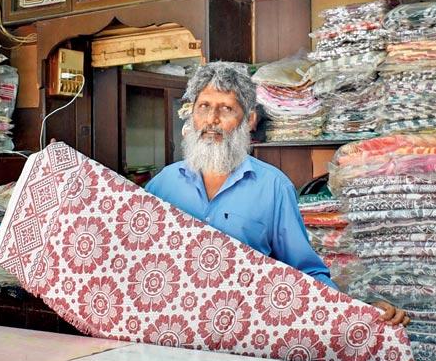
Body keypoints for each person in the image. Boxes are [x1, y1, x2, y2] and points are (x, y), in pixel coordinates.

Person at [146, 62, 406, 326]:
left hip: (245, 333)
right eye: (204, 107)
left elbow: (304, 272)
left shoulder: (273, 187)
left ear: (248, 120)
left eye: (226, 109)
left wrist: (358, 313)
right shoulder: (163, 185)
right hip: (173, 331)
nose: (212, 119)